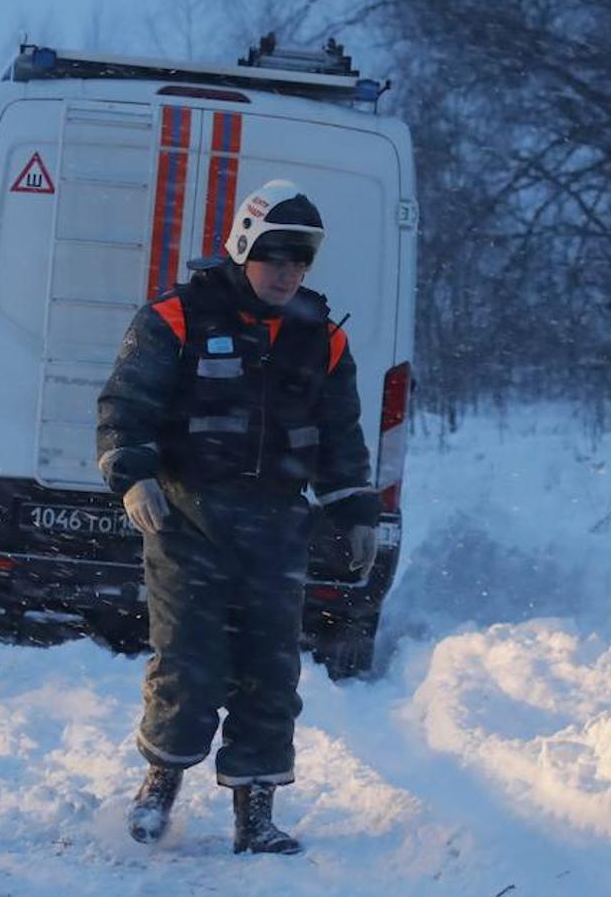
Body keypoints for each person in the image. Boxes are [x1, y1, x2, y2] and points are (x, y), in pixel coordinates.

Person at [97, 180, 381, 855]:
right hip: (185, 521)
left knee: (270, 670)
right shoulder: (175, 319)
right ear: (244, 247)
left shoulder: (323, 340)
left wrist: (357, 507)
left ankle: (256, 814)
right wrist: (132, 477)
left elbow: (342, 436)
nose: (287, 272)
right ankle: (159, 785)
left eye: (300, 260)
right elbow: (124, 405)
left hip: (278, 528)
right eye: (275, 256)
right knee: (188, 663)